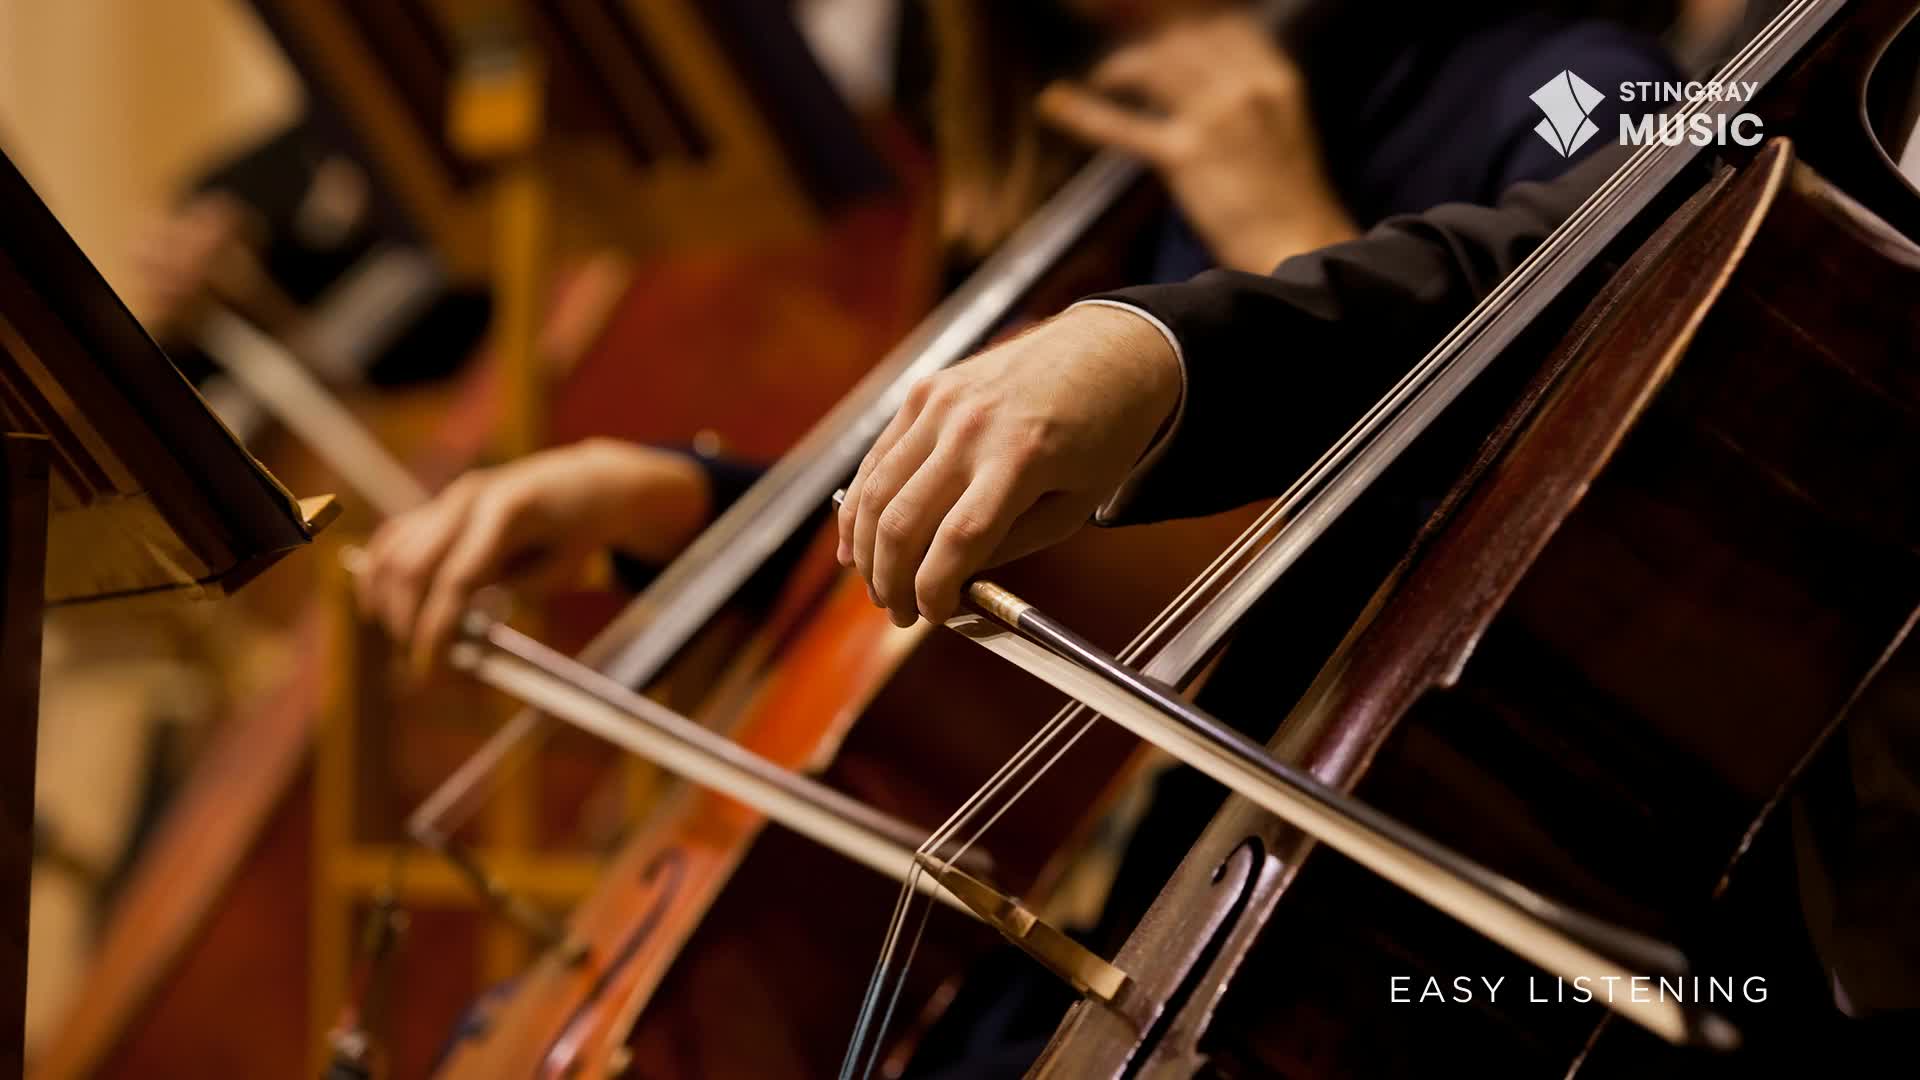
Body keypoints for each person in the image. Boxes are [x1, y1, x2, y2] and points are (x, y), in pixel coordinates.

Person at [359, 2, 1680, 673]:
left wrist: (1283, 233)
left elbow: (1632, 572)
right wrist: (690, 503)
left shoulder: (1569, 74)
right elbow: (1081, 576)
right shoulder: (1102, 136)